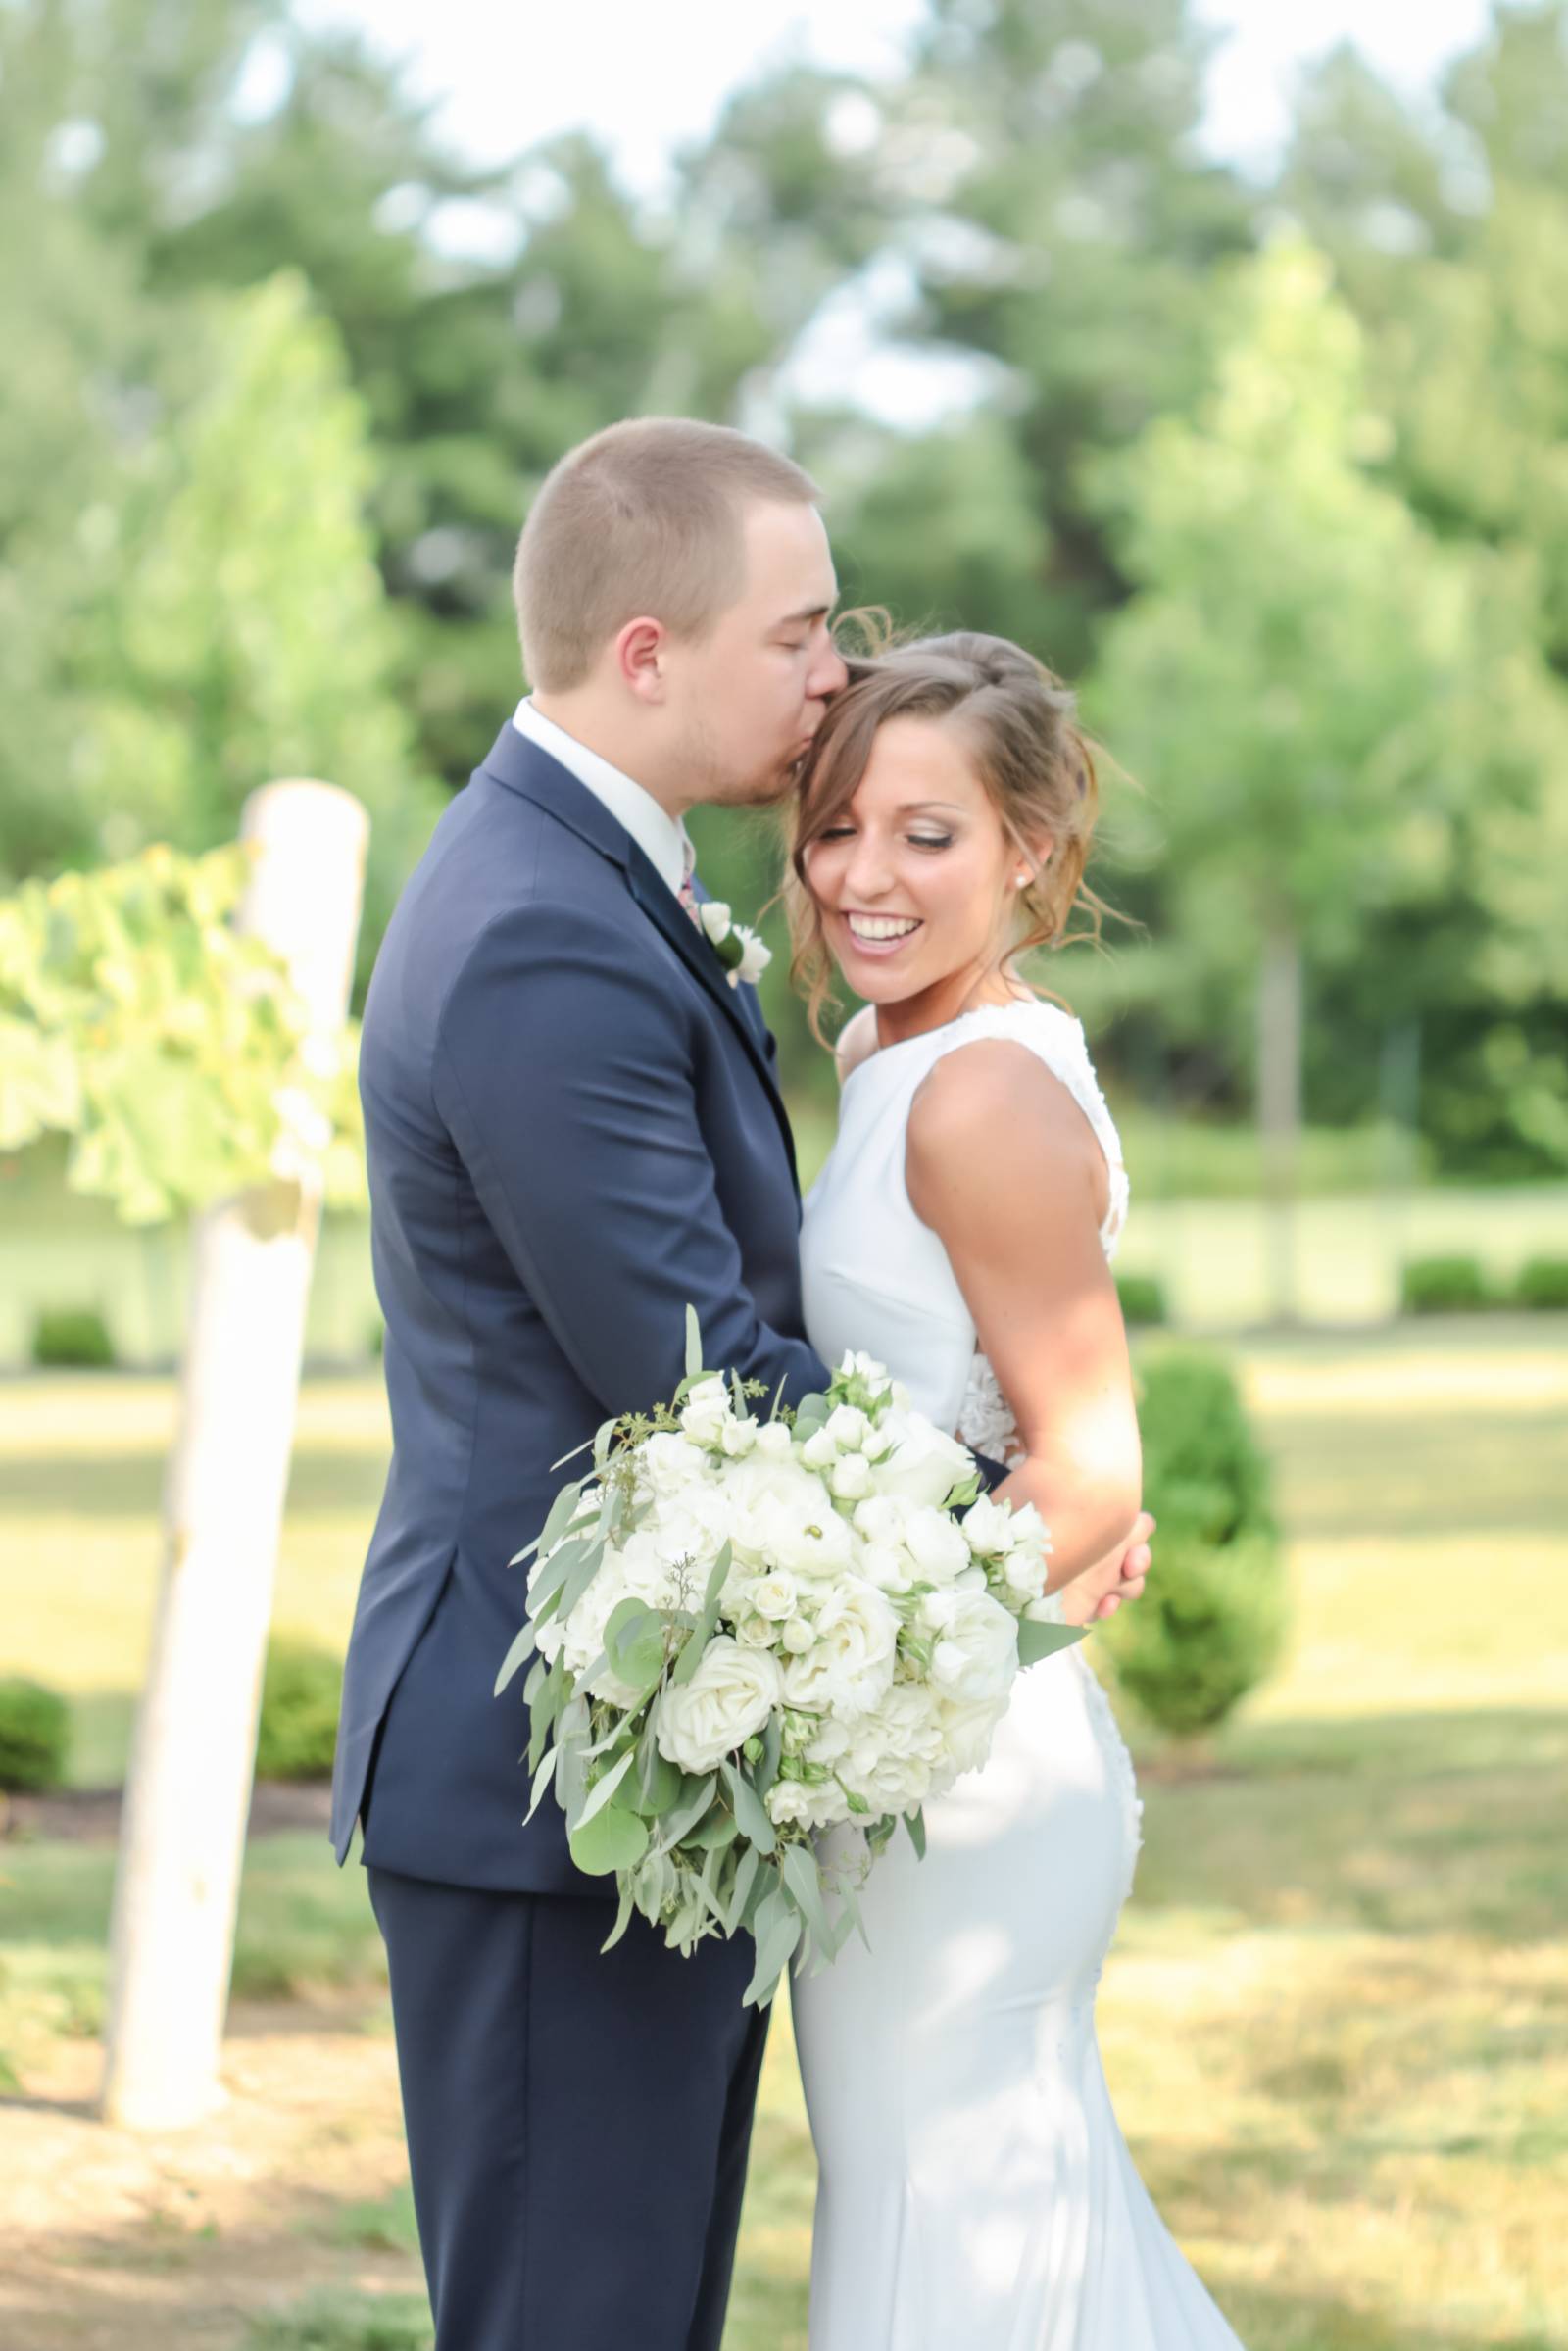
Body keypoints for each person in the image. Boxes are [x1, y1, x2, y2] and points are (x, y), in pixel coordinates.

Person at [330, 416, 1152, 2349]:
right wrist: (1010, 1534)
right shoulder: (543, 934)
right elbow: (707, 1381)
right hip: (556, 1783)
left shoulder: (590, 883)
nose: (824, 676)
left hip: (681, 1757)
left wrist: (1043, 1508)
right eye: (791, 634)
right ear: (644, 653)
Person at [787, 631, 1245, 2347]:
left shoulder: (976, 1091)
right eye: (838, 827)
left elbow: (1091, 1474)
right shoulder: (897, 1057)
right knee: (982, 2242)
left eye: (930, 834)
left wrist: (834, 1671)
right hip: (917, 1753)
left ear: (1031, 849)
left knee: (948, 2252)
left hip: (955, 1785)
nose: (863, 876)